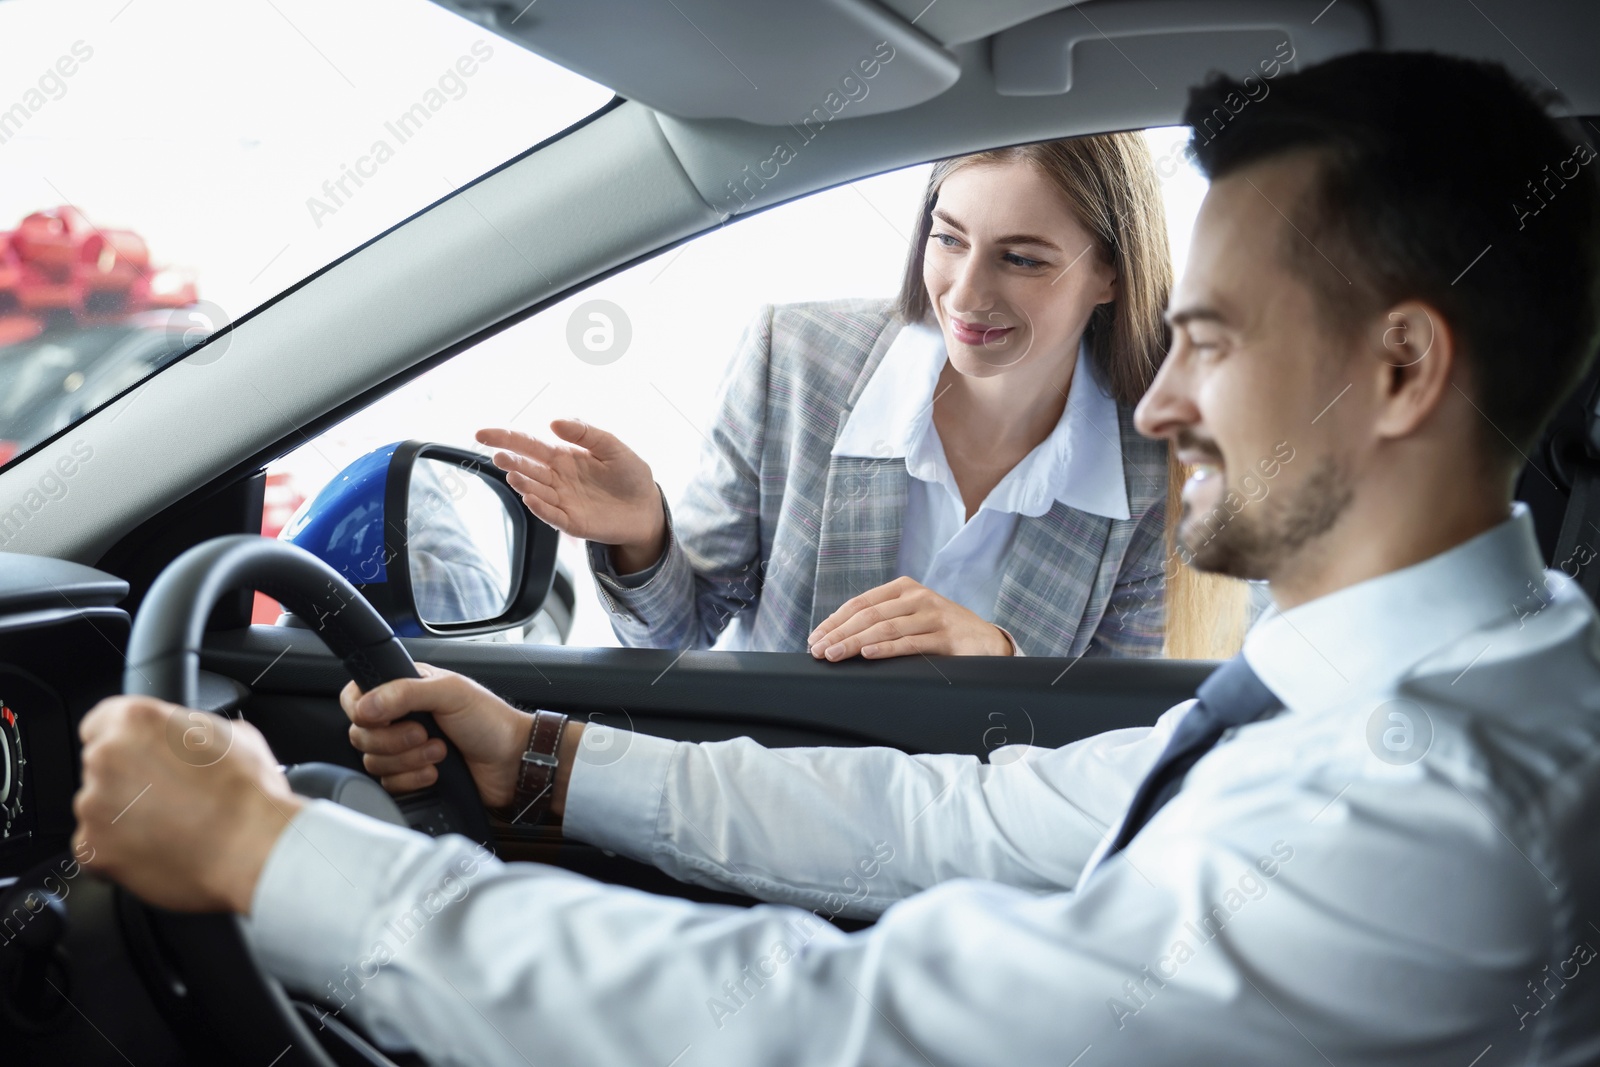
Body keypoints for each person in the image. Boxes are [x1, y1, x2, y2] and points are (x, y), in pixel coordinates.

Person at [71, 50, 1600, 1065]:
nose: (1167, 395)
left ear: (1401, 369)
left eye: (1210, 340)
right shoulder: (1391, 688)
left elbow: (844, 1029)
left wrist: (280, 857)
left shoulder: (1425, 805)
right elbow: (962, 811)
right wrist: (543, 753)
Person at [476, 132, 1242, 660]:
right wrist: (642, 535)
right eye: (948, 239)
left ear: (1110, 274)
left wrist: (998, 655)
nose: (966, 295)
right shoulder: (796, 363)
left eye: (1020, 258)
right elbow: (678, 636)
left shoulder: (1155, 463)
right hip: (767, 812)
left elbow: (1104, 744)